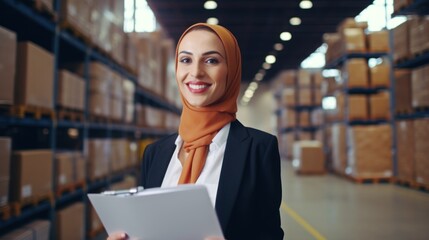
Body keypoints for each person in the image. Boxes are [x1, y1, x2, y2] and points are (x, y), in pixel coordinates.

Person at [108, 23, 284, 240]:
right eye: (186, 60)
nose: (196, 72)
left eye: (211, 60)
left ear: (231, 69)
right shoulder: (156, 154)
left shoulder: (259, 150)